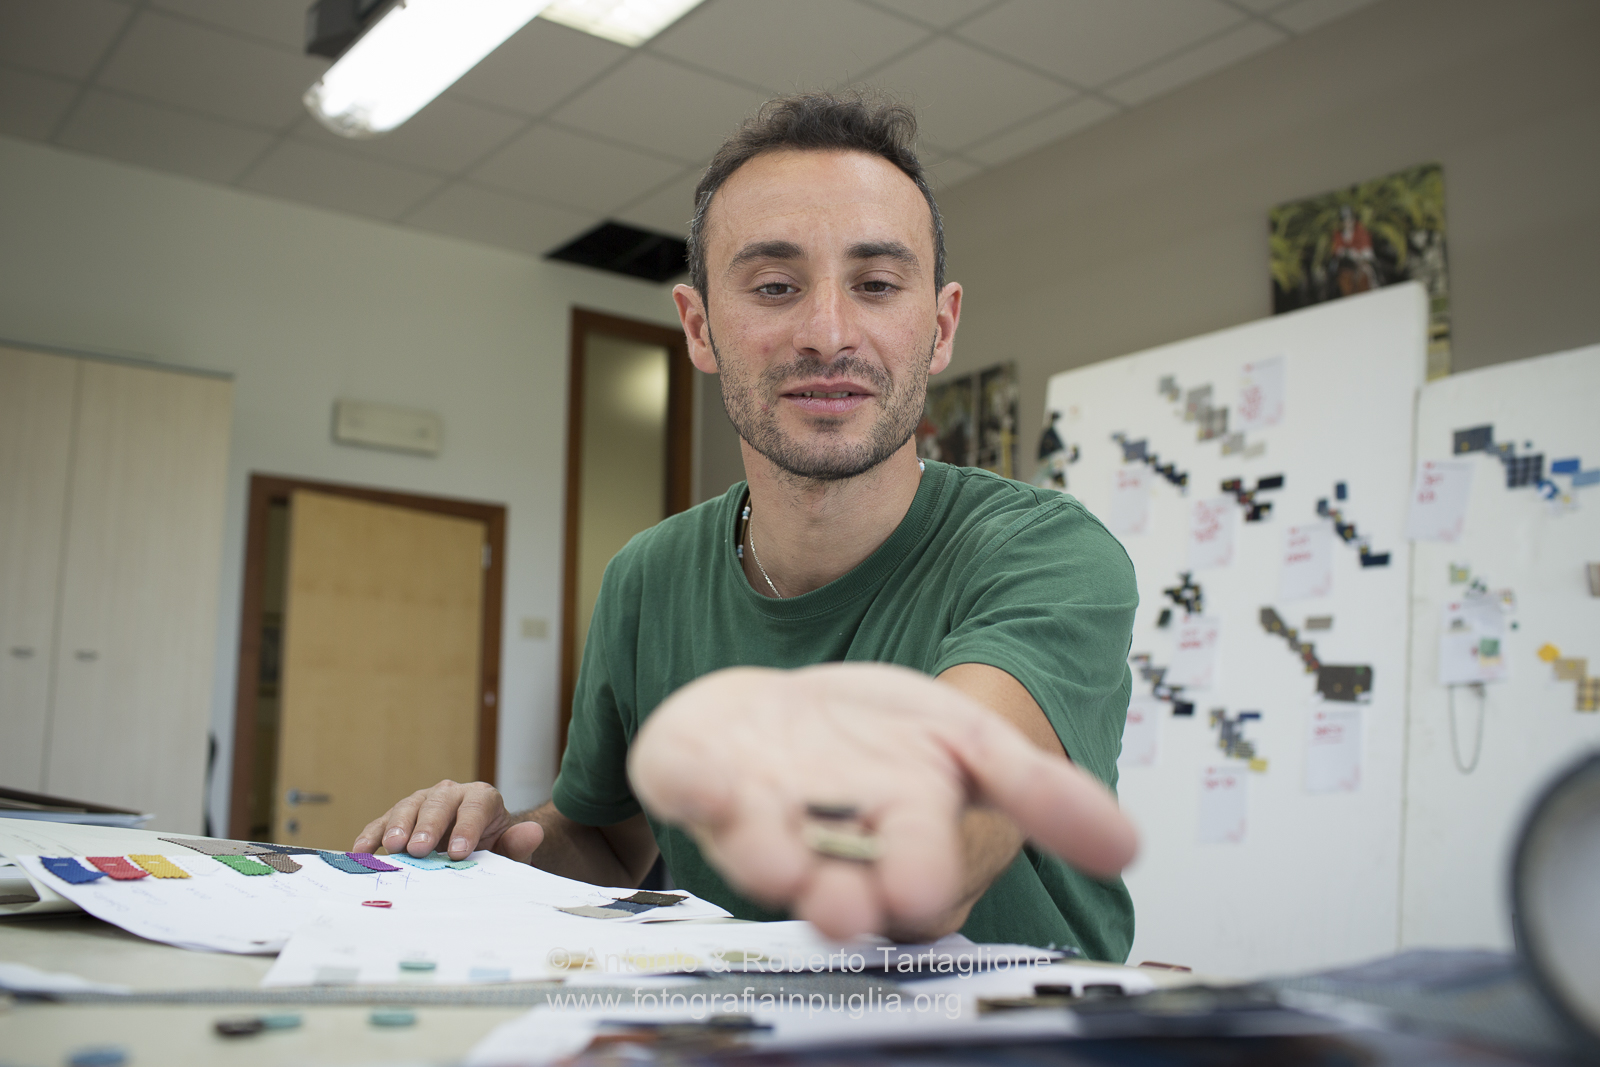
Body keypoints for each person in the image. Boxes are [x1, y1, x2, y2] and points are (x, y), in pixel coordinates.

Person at [356, 92, 1140, 960]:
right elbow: (608, 841)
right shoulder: (648, 577)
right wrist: (496, 852)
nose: (828, 333)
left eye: (877, 285)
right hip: (740, 1020)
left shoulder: (1048, 555)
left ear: (941, 326)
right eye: (774, 287)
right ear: (699, 328)